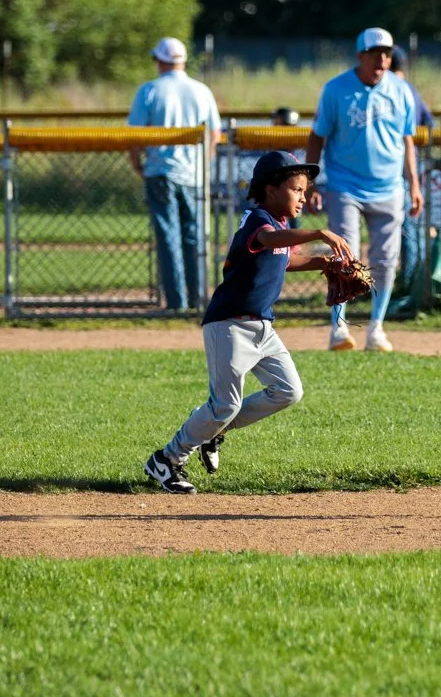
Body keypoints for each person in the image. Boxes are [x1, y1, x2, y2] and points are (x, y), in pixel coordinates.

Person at [143, 151, 353, 494]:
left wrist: (324, 263)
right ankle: (166, 459)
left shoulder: (282, 226)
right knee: (224, 405)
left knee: (288, 391)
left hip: (262, 327)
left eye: (304, 190)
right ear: (270, 189)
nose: (302, 196)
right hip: (228, 324)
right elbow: (270, 241)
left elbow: (285, 259)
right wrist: (320, 233)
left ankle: (214, 430)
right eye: (295, 189)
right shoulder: (257, 220)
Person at [305, 28, 424, 353]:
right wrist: (312, 181)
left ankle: (376, 328)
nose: (382, 59)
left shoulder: (401, 90)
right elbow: (317, 136)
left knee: (386, 260)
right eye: (375, 54)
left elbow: (407, 140)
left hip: (389, 187)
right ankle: (339, 328)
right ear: (361, 56)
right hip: (345, 185)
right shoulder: (336, 90)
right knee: (345, 256)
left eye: (386, 54)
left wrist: (414, 183)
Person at [128, 36, 222, 311]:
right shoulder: (201, 90)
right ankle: (197, 299)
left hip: (160, 172)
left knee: (168, 238)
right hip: (193, 175)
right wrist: (203, 163)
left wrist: (137, 163)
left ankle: (176, 303)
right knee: (195, 238)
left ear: (160, 61)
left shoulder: (149, 90)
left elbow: (134, 134)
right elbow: (214, 134)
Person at [390, 46, 436, 296]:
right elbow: (430, 124)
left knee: (406, 226)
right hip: (411, 165)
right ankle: (409, 279)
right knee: (410, 224)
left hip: (395, 166)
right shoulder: (411, 90)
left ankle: (408, 282)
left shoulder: (394, 88)